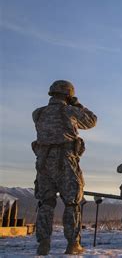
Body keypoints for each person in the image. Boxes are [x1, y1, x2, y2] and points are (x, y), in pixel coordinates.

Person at [32, 80, 97, 255]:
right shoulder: (69, 110)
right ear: (68, 94)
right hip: (65, 162)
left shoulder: (38, 113)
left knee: (46, 203)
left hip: (43, 163)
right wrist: (77, 104)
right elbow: (91, 121)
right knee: (72, 203)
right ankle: (73, 244)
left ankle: (43, 244)